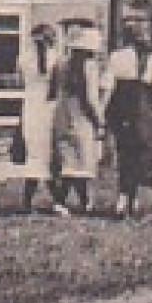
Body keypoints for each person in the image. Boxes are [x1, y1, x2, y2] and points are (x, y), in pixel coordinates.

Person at [102, 24, 152, 220]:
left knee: (125, 153)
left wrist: (102, 114)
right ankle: (136, 200)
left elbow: (107, 87)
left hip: (122, 111)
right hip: (145, 112)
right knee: (144, 153)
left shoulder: (116, 57)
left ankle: (123, 199)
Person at [53, 25, 106, 215]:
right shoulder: (90, 67)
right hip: (81, 116)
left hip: (62, 113)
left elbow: (54, 91)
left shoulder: (61, 64)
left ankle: (64, 202)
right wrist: (100, 120)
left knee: (68, 162)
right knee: (84, 163)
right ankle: (83, 202)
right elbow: (91, 98)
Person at [16, 24, 60, 213]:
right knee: (50, 154)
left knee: (34, 154)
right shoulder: (56, 58)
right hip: (49, 107)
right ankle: (58, 200)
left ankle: (27, 201)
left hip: (31, 107)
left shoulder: (24, 58)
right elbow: (56, 88)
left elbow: (20, 81)